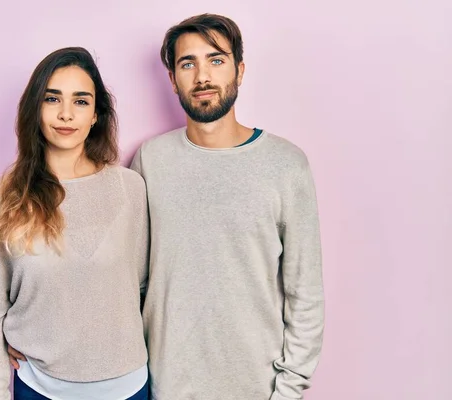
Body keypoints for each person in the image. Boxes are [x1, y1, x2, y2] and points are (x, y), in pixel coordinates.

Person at [128, 14, 325, 399]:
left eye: (216, 60)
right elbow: (127, 281)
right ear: (173, 79)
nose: (202, 76)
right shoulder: (151, 160)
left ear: (240, 70)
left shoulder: (286, 165)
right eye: (188, 63)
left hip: (256, 388)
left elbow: (305, 295)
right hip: (167, 388)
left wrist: (287, 392)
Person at [0, 47, 150, 400]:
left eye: (81, 101)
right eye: (52, 98)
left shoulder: (130, 188)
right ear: (35, 109)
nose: (66, 114)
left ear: (97, 115)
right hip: (40, 388)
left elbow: (142, 286)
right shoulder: (7, 196)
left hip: (127, 387)